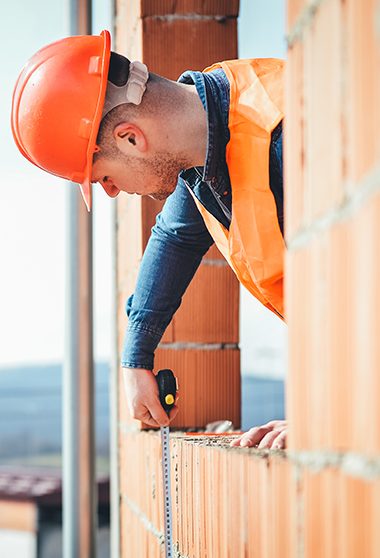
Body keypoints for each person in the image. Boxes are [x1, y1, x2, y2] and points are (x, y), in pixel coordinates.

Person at [11, 30, 288, 450]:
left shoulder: (289, 135)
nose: (111, 191)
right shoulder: (210, 137)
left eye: (103, 176)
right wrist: (136, 359)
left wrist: (329, 414)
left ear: (130, 138)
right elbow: (173, 239)